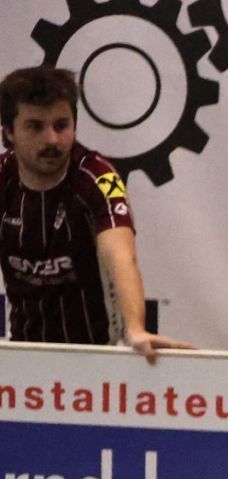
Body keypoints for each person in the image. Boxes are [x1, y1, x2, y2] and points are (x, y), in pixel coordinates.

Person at [0, 66, 191, 360]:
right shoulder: (3, 177)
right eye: (36, 127)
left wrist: (136, 330)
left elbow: (121, 256)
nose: (52, 139)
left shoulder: (100, 176)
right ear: (8, 132)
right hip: (24, 354)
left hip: (97, 354)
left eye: (61, 125)